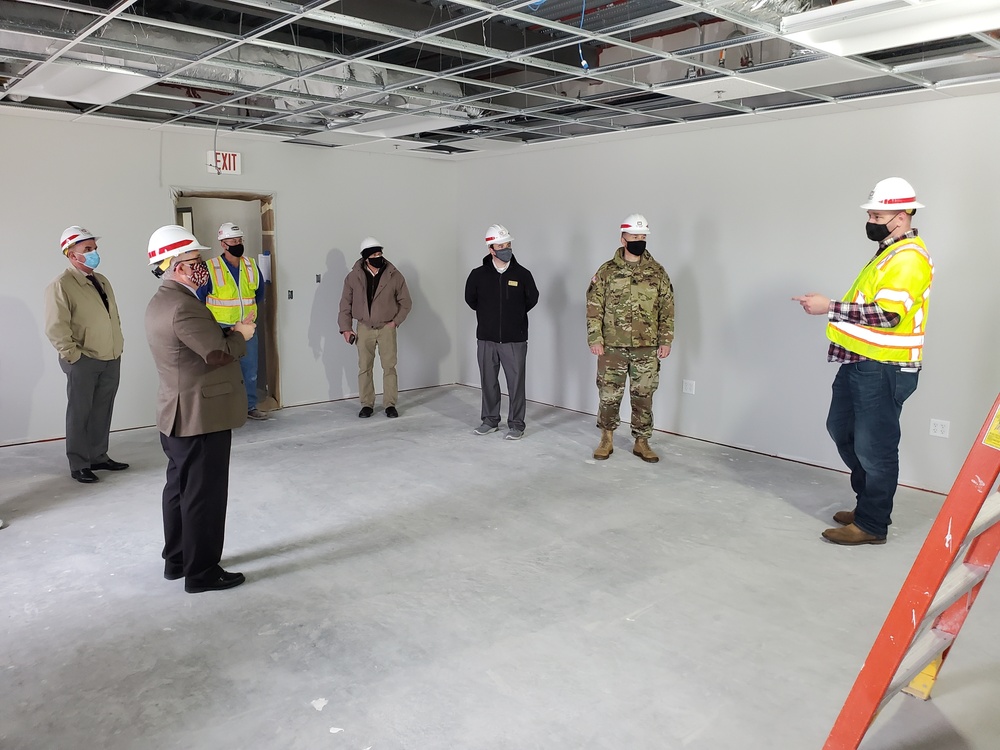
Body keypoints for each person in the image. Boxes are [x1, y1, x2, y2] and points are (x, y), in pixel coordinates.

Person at [794, 178, 933, 546]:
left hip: (884, 368)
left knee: (875, 447)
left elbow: (888, 316)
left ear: (901, 216)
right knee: (843, 432)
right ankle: (867, 504)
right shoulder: (888, 253)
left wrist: (830, 307)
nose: (871, 219)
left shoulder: (909, 258)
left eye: (877, 214)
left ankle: (872, 524)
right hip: (859, 363)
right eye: (870, 213)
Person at [145, 225, 256, 593]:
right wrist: (240, 334)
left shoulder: (162, 301)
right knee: (203, 496)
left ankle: (177, 560)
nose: (202, 266)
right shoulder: (184, 307)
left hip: (177, 412)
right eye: (195, 261)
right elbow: (217, 353)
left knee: (179, 490)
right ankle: (203, 571)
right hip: (200, 415)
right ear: (175, 267)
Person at [586, 214, 674, 463]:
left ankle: (642, 441)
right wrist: (595, 338)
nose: (639, 241)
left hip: (646, 347)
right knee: (609, 395)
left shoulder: (657, 272)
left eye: (643, 237)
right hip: (612, 346)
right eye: (634, 237)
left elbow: (667, 308)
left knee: (644, 395)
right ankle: (606, 438)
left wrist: (666, 340)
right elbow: (594, 306)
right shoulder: (607, 271)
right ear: (623, 238)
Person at [44, 226, 128, 483]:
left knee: (103, 408)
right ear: (71, 255)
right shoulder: (61, 285)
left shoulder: (102, 280)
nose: (94, 253)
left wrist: (117, 345)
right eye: (87, 250)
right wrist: (73, 356)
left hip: (110, 356)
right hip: (83, 360)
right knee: (80, 412)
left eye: (94, 248)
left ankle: (98, 455)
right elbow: (55, 327)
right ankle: (79, 463)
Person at [464, 223, 539, 440]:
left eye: (508, 244)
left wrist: (513, 319)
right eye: (501, 245)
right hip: (486, 339)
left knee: (516, 384)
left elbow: (531, 299)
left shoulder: (523, 274)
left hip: (514, 340)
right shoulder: (477, 275)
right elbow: (471, 300)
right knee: (488, 381)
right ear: (491, 249)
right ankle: (490, 420)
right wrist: (489, 318)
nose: (506, 248)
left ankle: (516, 424)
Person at [338, 237, 412, 418]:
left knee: (389, 367)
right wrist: (346, 328)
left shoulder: (394, 275)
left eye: (380, 253)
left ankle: (390, 404)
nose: (378, 257)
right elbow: (345, 304)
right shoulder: (353, 277)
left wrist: (395, 322)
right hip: (364, 328)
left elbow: (406, 302)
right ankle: (366, 404)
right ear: (365, 258)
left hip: (387, 328)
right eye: (374, 255)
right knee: (364, 367)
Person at [205, 222, 268, 421]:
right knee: (223, 370)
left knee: (249, 369)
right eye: (233, 241)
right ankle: (224, 410)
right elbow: (199, 298)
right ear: (223, 244)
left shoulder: (250, 265)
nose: (238, 244)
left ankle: (249, 407)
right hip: (221, 328)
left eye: (240, 240)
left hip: (247, 327)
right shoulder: (210, 267)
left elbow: (259, 294)